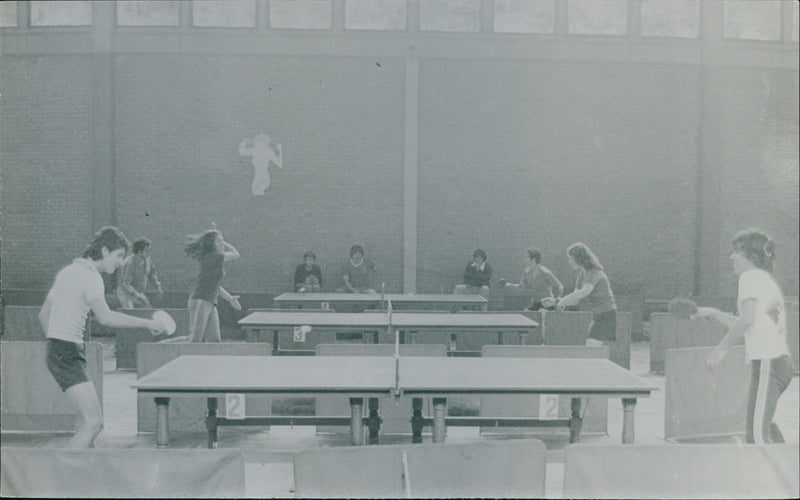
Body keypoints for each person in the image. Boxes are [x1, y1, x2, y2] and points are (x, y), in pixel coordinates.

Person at [39, 227, 170, 448]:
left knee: (87, 422)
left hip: (59, 350)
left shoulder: (68, 271)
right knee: (93, 422)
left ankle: (77, 474)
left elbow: (44, 314)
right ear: (105, 250)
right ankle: (59, 475)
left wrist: (56, 344)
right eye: (119, 255)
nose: (120, 262)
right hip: (67, 352)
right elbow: (106, 317)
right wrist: (148, 324)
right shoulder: (92, 277)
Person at [694, 228, 792, 444]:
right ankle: (788, 465)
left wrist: (720, 350)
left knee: (756, 435)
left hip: (769, 364)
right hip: (780, 364)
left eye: (737, 251)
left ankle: (779, 474)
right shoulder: (764, 279)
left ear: (751, 255)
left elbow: (745, 320)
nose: (732, 257)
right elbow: (749, 323)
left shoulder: (748, 278)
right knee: (763, 427)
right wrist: (713, 313)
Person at [184, 227, 242, 343]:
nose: (222, 244)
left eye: (222, 241)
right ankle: (160, 347)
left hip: (210, 301)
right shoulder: (213, 257)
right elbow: (236, 254)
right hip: (201, 300)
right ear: (212, 245)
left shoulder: (215, 259)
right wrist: (225, 243)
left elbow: (215, 286)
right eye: (219, 241)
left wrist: (230, 299)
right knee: (195, 340)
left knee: (214, 341)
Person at [556, 243, 617, 346]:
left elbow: (585, 291)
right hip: (598, 315)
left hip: (607, 314)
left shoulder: (594, 272)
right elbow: (575, 299)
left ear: (579, 258)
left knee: (591, 348)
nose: (569, 261)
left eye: (571, 258)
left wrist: (562, 301)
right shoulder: (581, 275)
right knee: (592, 349)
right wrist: (556, 301)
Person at [116, 238, 163, 309]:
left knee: (148, 309)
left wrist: (158, 287)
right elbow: (125, 284)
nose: (149, 252)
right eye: (147, 250)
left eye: (150, 250)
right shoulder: (130, 262)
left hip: (138, 292)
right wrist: (137, 295)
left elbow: (152, 274)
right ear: (139, 251)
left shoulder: (147, 260)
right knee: (130, 312)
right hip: (126, 292)